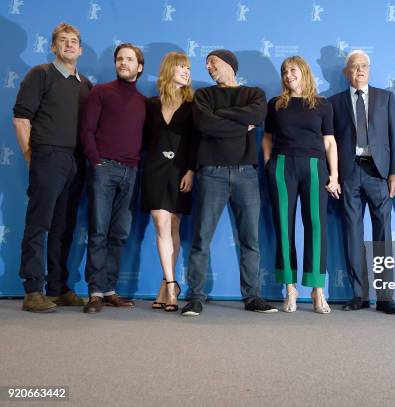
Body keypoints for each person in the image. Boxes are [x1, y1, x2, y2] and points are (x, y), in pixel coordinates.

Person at [181, 49, 276, 316]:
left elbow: (257, 117)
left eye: (213, 62)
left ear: (229, 65)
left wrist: (223, 116)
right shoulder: (203, 95)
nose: (208, 67)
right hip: (211, 173)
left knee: (250, 240)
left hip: (246, 174)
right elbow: (205, 125)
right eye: (207, 64)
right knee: (201, 238)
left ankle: (253, 296)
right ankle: (196, 296)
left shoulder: (254, 94)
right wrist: (241, 124)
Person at [13, 22, 92, 312]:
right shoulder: (40, 75)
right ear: (53, 46)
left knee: (64, 226)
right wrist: (30, 156)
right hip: (47, 156)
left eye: (74, 41)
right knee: (39, 224)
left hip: (76, 161)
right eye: (63, 40)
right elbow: (21, 119)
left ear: (80, 49)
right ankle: (33, 289)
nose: (69, 44)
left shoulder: (85, 85)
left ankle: (58, 288)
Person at [263, 56, 340, 314]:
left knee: (316, 227)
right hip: (283, 166)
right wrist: (268, 163)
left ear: (304, 72)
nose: (288, 75)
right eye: (284, 71)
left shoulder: (322, 105)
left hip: (315, 167)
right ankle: (290, 289)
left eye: (293, 70)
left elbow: (330, 142)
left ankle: (318, 290)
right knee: (284, 226)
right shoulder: (276, 104)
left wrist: (335, 175)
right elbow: (267, 138)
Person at [329, 50, 395, 315]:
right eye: (354, 66)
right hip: (349, 175)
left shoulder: (385, 98)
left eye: (363, 66)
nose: (359, 70)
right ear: (345, 72)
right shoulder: (334, 102)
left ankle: (385, 298)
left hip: (379, 173)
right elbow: (330, 143)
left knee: (382, 234)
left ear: (369, 70)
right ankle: (358, 295)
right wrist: (333, 176)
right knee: (353, 235)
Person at [80, 43, 147, 313]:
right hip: (103, 168)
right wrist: (96, 162)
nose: (123, 63)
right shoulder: (100, 92)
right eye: (120, 59)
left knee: (119, 233)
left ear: (139, 67)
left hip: (131, 172)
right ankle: (95, 292)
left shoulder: (143, 102)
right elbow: (86, 130)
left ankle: (109, 290)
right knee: (98, 231)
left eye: (129, 59)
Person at [141, 52, 195, 312]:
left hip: (179, 172)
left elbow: (197, 142)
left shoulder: (194, 104)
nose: (186, 71)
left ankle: (166, 283)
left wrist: (191, 171)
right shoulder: (150, 104)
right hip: (153, 169)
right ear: (169, 70)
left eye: (188, 68)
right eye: (181, 67)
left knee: (173, 226)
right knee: (160, 223)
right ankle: (173, 284)